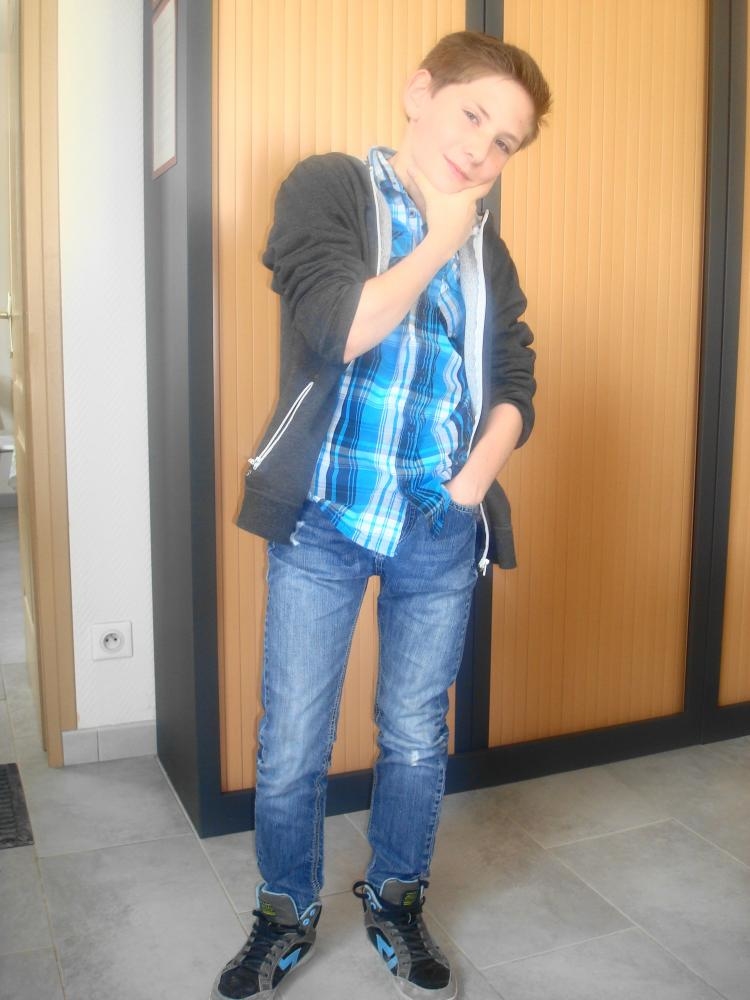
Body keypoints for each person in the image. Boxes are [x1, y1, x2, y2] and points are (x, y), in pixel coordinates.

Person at [211, 30, 550, 1000]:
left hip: (436, 526)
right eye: (472, 114)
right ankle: (285, 913)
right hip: (324, 518)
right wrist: (442, 233)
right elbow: (340, 328)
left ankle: (396, 899)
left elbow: (516, 377)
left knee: (413, 734)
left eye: (505, 142)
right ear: (419, 92)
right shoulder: (329, 189)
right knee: (292, 744)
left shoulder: (489, 252)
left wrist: (471, 485)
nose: (481, 149)